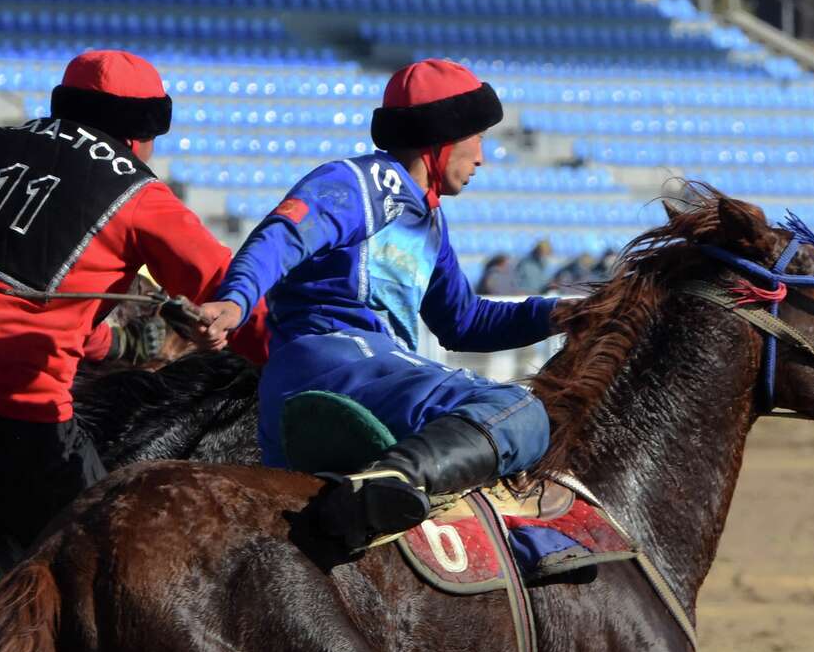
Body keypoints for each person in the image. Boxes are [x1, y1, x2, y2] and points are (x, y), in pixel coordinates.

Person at [0, 50, 254, 547]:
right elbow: (229, 284)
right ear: (141, 135)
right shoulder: (142, 196)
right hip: (12, 412)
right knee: (99, 560)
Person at [196, 59, 563, 552]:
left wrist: (562, 313)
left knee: (473, 451)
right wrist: (237, 299)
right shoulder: (363, 183)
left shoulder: (429, 221)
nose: (482, 158)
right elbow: (282, 233)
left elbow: (465, 322)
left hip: (338, 383)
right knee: (518, 409)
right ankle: (390, 480)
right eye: (477, 138)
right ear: (444, 136)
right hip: (338, 367)